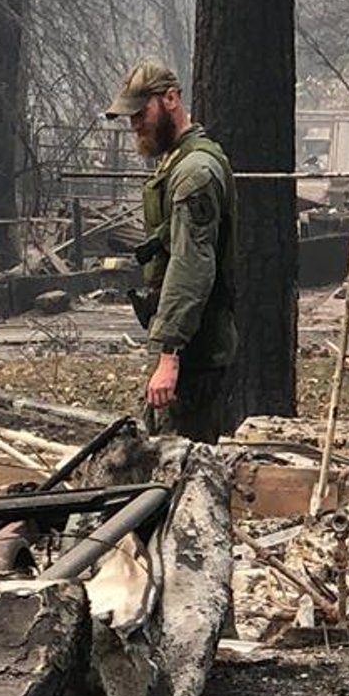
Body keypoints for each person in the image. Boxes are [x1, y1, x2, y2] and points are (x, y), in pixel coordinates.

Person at [106, 60, 237, 443]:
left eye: (140, 113)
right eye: (129, 117)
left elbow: (191, 265)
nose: (134, 126)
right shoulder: (177, 162)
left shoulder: (195, 172)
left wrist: (169, 355)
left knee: (180, 470)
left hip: (195, 354)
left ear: (171, 99)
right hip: (189, 349)